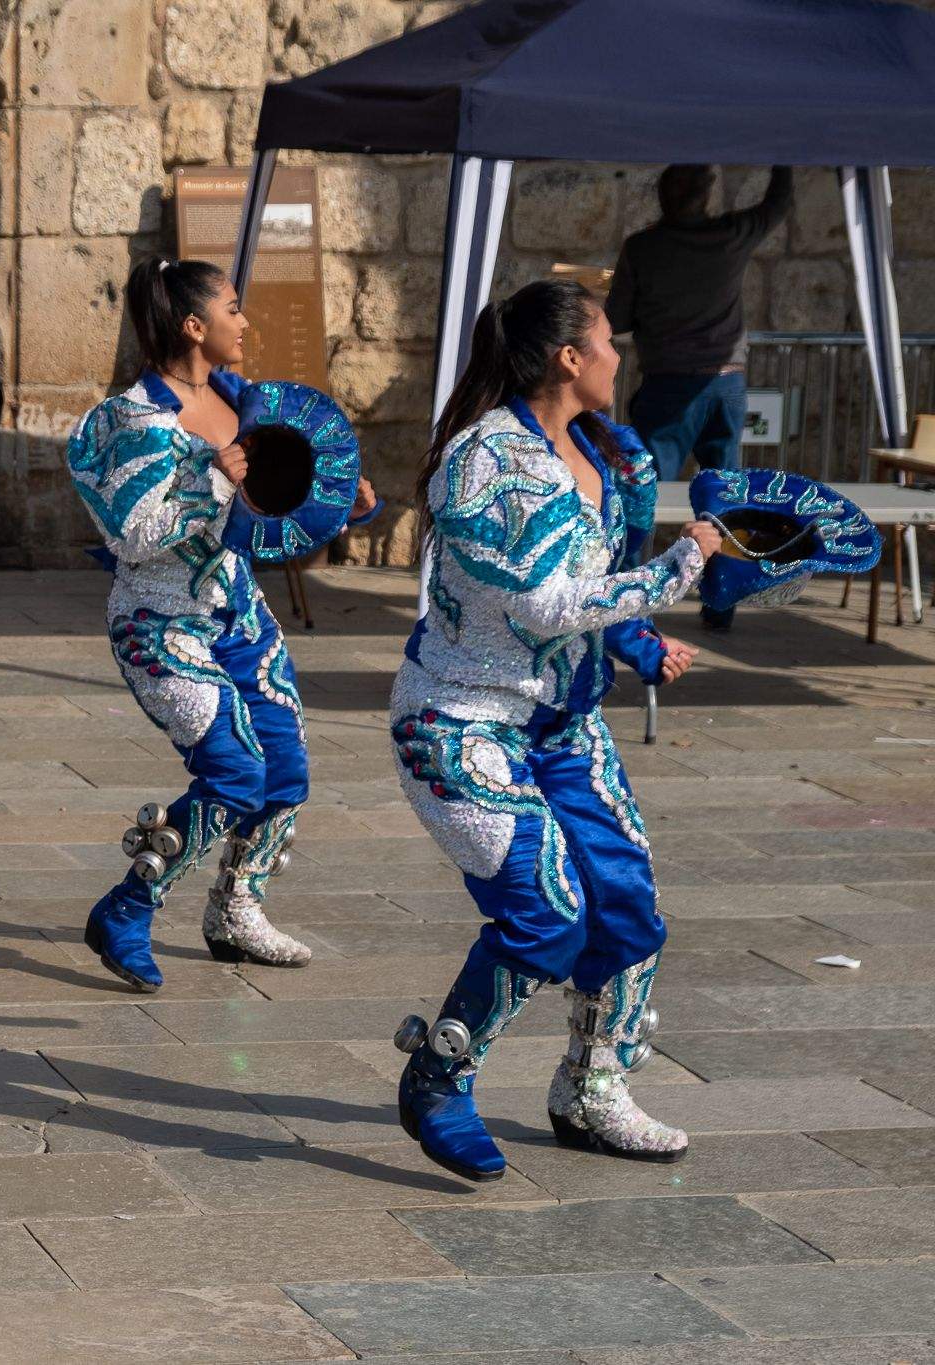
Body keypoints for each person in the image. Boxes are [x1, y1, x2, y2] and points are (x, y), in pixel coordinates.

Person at [394, 278, 721, 1184]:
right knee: (546, 913)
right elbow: (544, 602)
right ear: (569, 358)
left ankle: (593, 1087)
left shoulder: (605, 454)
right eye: (608, 339)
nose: (622, 353)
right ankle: (440, 1076)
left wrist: (642, 640)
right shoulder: (487, 461)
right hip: (460, 719)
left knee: (626, 908)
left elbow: (591, 585)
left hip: (561, 724)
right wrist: (679, 567)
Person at [66, 257, 376, 992]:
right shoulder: (135, 422)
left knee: (284, 766)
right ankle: (128, 905)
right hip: (158, 621)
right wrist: (214, 477)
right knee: (235, 770)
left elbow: (269, 513)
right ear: (194, 325)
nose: (246, 322)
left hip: (237, 611)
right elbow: (134, 533)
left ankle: (237, 908)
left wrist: (338, 506)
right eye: (233, 308)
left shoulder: (246, 401)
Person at [607, 164, 791, 631]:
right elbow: (778, 205)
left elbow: (618, 318)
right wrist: (783, 156)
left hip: (669, 386)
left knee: (642, 495)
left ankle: (631, 604)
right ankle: (720, 604)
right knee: (725, 499)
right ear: (707, 194)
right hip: (727, 385)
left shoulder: (643, 248)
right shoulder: (731, 234)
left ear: (662, 197)